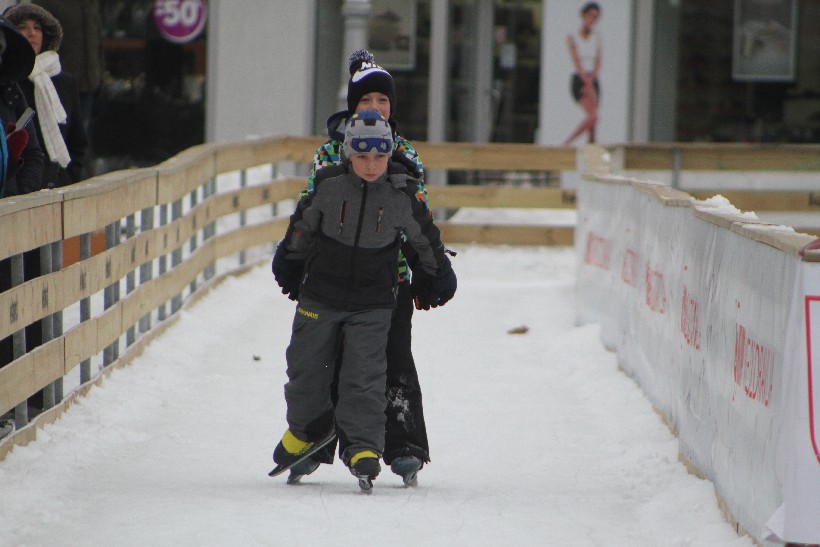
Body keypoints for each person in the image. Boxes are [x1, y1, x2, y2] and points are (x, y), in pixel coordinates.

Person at [272, 49, 447, 487]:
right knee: (322, 361)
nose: (375, 108)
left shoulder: (404, 156)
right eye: (365, 101)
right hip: (329, 278)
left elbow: (418, 221)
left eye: (382, 101)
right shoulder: (329, 158)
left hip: (390, 277)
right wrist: (294, 262)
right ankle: (317, 440)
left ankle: (402, 444)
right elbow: (308, 214)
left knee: (387, 361)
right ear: (353, 109)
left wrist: (429, 271)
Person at [6, 3, 88, 188]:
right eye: (22, 27)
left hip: (58, 187)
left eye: (37, 28)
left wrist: (68, 178)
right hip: (18, 191)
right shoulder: (7, 82)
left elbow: (78, 141)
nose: (32, 33)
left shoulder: (65, 82)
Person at [31, 0, 102, 131]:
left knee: (80, 136)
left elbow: (96, 39)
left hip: (88, 82)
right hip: (56, 83)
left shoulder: (91, 3)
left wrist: (99, 73)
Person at [564, 1, 602, 145]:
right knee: (593, 117)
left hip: (593, 78)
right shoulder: (573, 36)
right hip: (580, 79)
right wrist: (586, 83)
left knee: (593, 126)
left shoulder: (597, 37)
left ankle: (592, 155)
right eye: (590, 16)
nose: (592, 20)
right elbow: (577, 61)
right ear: (583, 15)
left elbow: (598, 60)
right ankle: (567, 143)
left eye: (595, 17)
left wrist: (592, 80)